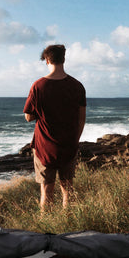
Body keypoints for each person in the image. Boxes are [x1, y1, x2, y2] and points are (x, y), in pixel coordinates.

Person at [23, 44, 86, 210]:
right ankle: (69, 228)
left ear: (47, 60)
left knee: (46, 192)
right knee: (68, 190)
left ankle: (46, 233)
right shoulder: (77, 86)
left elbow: (28, 117)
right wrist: (75, 141)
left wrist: (43, 113)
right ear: (63, 59)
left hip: (44, 147)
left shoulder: (38, 86)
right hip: (68, 145)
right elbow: (81, 119)